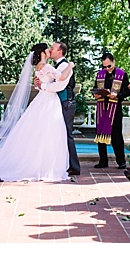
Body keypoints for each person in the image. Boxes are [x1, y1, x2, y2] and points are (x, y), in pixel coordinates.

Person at [0, 43, 70, 182]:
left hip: (42, 100)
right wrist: (71, 66)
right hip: (48, 101)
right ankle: (43, 166)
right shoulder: (46, 66)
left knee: (40, 133)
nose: (50, 50)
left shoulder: (38, 66)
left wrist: (41, 85)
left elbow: (39, 86)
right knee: (47, 133)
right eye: (48, 49)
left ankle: (40, 164)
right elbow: (61, 78)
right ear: (43, 52)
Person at [46, 42, 80, 177]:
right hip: (60, 102)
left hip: (66, 103)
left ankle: (74, 166)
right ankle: (64, 164)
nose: (50, 50)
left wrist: (43, 85)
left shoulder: (65, 65)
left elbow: (60, 85)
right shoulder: (58, 65)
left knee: (67, 134)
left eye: (53, 48)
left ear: (60, 51)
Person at [91, 53, 130, 169]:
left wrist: (117, 95)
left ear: (114, 62)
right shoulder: (100, 74)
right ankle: (103, 160)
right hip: (102, 108)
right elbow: (95, 89)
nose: (107, 69)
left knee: (116, 136)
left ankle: (121, 161)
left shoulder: (122, 75)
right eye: (105, 67)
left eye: (109, 66)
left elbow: (128, 92)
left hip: (115, 109)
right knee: (100, 134)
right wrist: (96, 95)